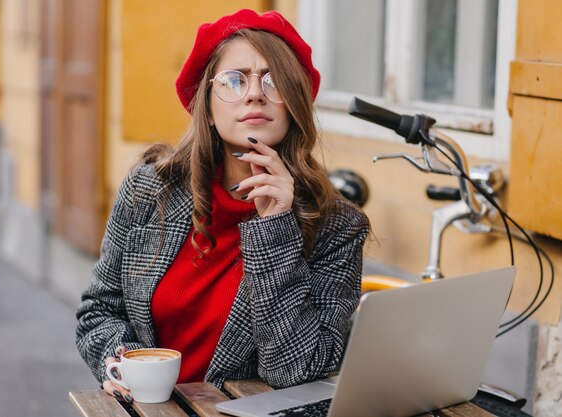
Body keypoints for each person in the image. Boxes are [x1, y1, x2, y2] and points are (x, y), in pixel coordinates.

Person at [75, 8, 369, 404]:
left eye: (274, 81)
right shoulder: (151, 190)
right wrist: (119, 363)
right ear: (208, 109)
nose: (254, 93)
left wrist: (276, 227)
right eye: (234, 80)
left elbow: (295, 370)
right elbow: (99, 311)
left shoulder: (337, 226)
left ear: (294, 106)